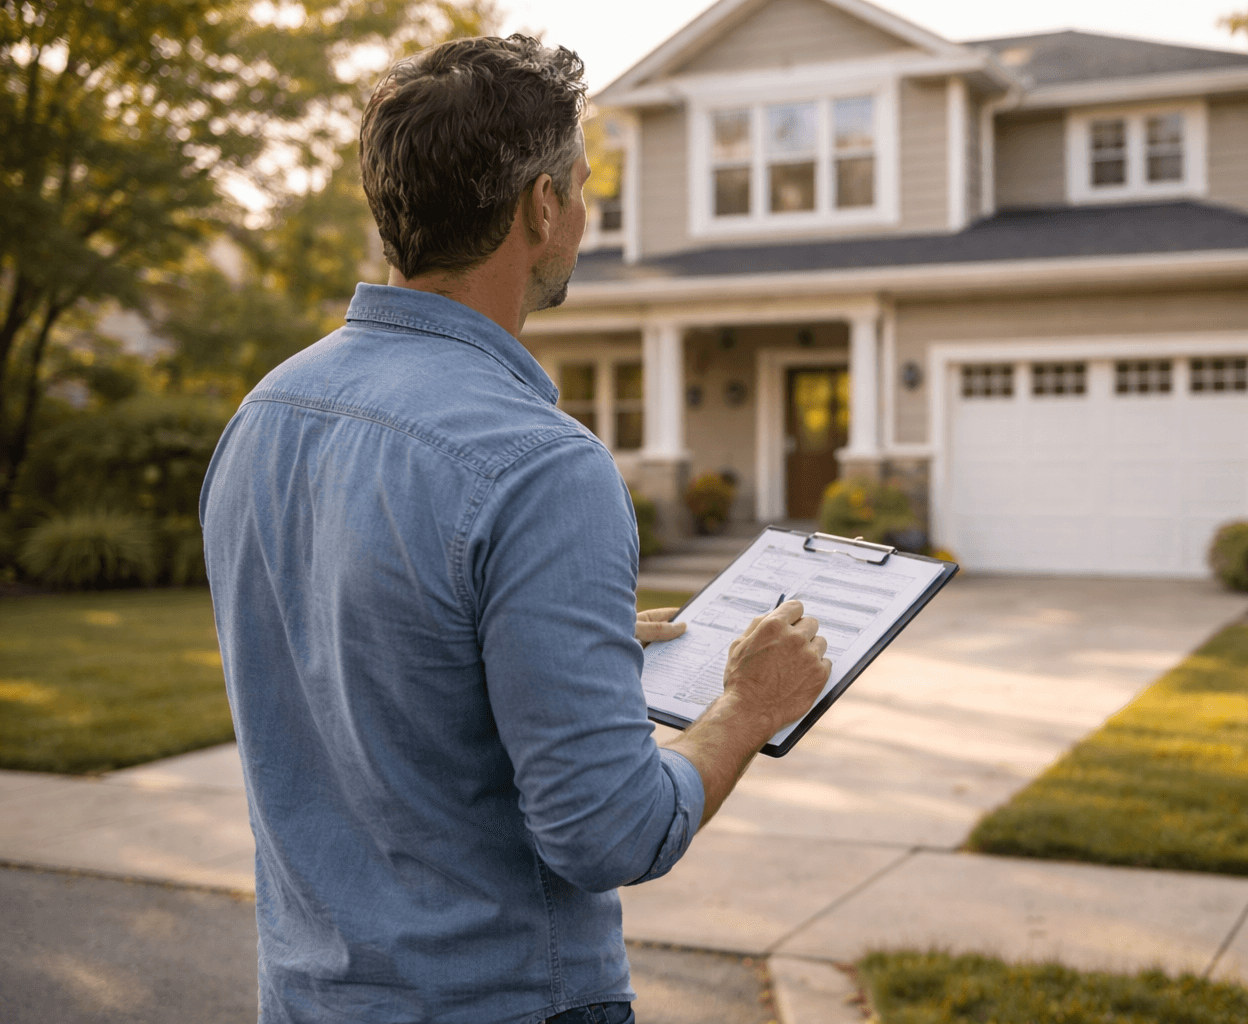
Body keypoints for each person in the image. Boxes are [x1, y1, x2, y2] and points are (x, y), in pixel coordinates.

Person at [199, 34, 832, 1024]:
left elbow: (364, 669)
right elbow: (610, 833)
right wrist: (751, 706)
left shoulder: (266, 415)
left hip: (308, 995)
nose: (586, 211)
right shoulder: (544, 466)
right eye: (581, 185)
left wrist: (537, 651)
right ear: (541, 206)